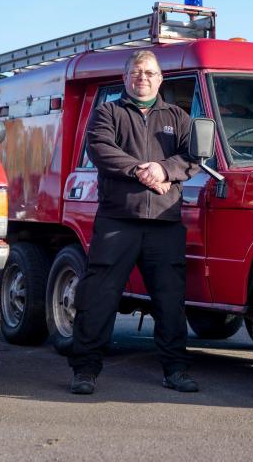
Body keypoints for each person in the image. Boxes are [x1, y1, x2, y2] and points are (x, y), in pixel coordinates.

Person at [68, 49, 199, 395]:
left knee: (170, 300)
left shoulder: (179, 117)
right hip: (117, 220)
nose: (143, 77)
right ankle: (85, 369)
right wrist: (144, 172)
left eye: (150, 72)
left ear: (161, 78)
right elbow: (101, 150)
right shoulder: (107, 112)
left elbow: (194, 157)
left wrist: (165, 169)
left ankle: (175, 369)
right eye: (137, 72)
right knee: (98, 296)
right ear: (125, 78)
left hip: (164, 222)